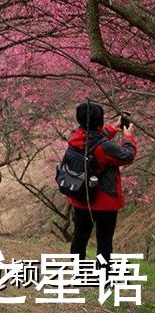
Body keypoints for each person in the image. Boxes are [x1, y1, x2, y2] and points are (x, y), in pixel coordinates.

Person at [66, 102, 138, 264]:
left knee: (80, 235)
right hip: (104, 202)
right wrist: (128, 137)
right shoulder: (104, 148)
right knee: (104, 240)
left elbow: (94, 139)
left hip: (80, 197)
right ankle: (103, 276)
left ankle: (78, 272)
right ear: (99, 123)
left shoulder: (76, 137)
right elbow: (127, 156)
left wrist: (115, 127)